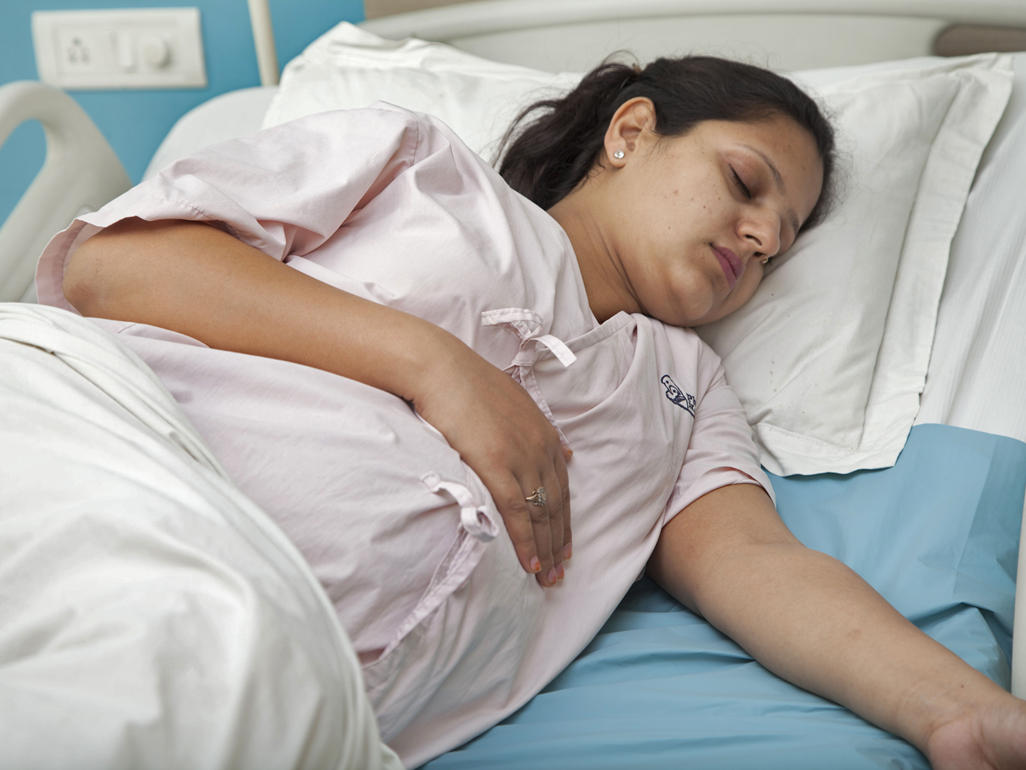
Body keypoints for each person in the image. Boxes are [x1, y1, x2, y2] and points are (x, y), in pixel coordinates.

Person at [37, 55, 1026, 768]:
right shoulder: (414, 166)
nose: (764, 234)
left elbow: (754, 564)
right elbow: (114, 265)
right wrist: (438, 365)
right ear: (630, 131)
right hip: (105, 464)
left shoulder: (683, 391)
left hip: (299, 679)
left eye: (784, 237)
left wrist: (957, 710)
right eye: (744, 181)